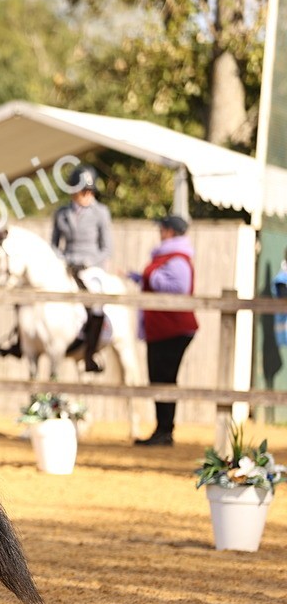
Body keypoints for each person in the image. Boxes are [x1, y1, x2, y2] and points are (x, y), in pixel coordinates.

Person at [128, 215, 197, 446]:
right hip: (162, 328)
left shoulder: (177, 257)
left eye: (163, 228)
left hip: (172, 328)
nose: (160, 232)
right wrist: (139, 278)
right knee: (159, 378)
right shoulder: (167, 255)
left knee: (164, 379)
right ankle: (162, 430)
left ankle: (165, 431)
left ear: (170, 231)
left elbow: (179, 287)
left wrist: (151, 277)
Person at [51, 164, 114, 372]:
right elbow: (54, 245)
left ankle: (90, 354)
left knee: (95, 303)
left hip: (91, 267)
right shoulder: (61, 213)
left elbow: (107, 248)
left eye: (89, 191)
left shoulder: (101, 213)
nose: (87, 195)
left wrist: (89, 262)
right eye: (83, 191)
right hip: (67, 266)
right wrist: (63, 260)